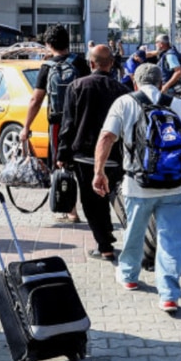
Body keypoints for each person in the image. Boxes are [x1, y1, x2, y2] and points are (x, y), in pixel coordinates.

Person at [91, 63, 181, 313]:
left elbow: (106, 136)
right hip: (178, 184)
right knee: (172, 240)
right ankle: (169, 295)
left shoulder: (124, 102)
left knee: (135, 231)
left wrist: (99, 172)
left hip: (138, 183)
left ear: (136, 83)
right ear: (161, 83)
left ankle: (129, 275)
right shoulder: (176, 103)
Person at [57, 44, 131, 261]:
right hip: (114, 157)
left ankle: (105, 245)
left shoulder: (77, 86)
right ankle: (120, 240)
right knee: (114, 199)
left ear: (91, 64)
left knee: (91, 203)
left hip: (84, 156)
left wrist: (62, 154)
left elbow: (68, 124)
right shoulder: (122, 91)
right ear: (111, 65)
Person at [22, 25, 90, 223]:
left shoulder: (47, 66)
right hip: (81, 121)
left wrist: (26, 127)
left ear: (48, 44)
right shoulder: (80, 63)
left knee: (61, 164)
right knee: (83, 165)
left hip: (57, 122)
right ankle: (91, 210)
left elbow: (36, 100)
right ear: (68, 42)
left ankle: (71, 211)